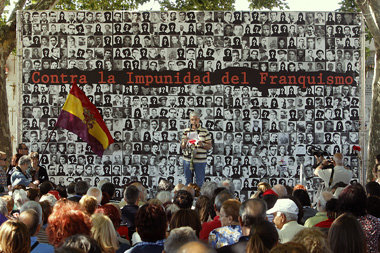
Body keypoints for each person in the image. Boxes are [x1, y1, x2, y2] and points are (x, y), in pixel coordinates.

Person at [181, 111, 212, 187]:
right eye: (192, 119)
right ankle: (188, 198)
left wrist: (202, 144)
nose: (194, 121)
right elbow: (182, 147)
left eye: (196, 119)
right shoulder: (186, 131)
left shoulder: (205, 131)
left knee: (200, 182)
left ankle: (198, 198)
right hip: (188, 160)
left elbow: (209, 146)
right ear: (190, 120)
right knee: (188, 182)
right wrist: (184, 142)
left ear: (199, 119)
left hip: (200, 161)